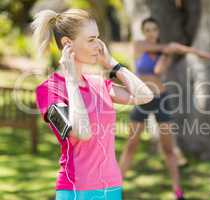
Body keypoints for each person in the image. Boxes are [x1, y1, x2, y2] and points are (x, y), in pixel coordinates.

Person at [33, 9, 153, 200]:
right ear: (67, 44)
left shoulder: (98, 83)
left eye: (98, 38)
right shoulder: (48, 90)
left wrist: (113, 63)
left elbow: (145, 95)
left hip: (112, 187)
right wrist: (72, 80)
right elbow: (82, 132)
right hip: (77, 190)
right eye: (91, 39)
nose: (98, 45)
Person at [119, 17, 210, 200]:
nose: (151, 33)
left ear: (158, 31)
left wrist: (172, 52)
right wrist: (176, 48)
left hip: (161, 99)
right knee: (131, 144)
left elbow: (157, 71)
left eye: (154, 29)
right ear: (143, 32)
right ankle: (117, 186)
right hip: (141, 98)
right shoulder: (139, 46)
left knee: (168, 149)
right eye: (147, 29)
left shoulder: (166, 51)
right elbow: (165, 49)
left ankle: (178, 191)